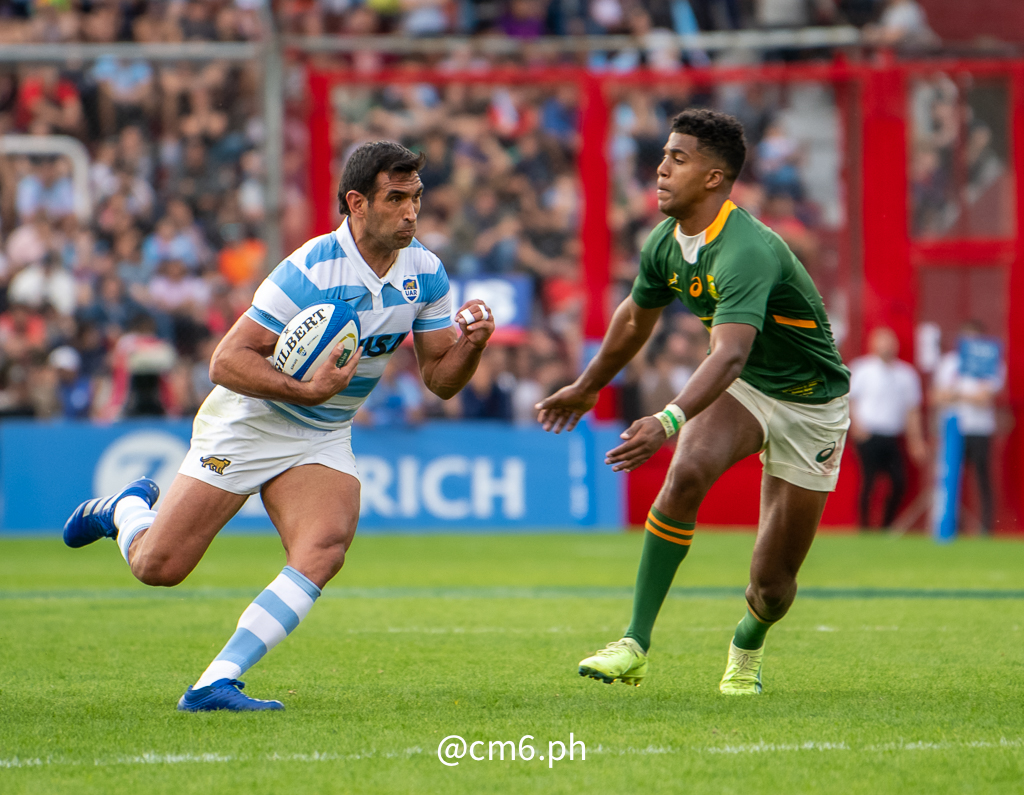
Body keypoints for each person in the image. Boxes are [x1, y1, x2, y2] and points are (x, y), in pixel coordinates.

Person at [62, 141, 495, 712]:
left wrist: (472, 346)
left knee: (324, 546)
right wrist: (303, 390)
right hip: (250, 421)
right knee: (158, 567)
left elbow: (440, 380)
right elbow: (224, 361)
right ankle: (126, 512)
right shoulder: (309, 271)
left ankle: (215, 682)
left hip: (322, 432)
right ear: (357, 203)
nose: (411, 211)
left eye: (416, 198)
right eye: (396, 198)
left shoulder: (426, 273)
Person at [537, 109, 850, 695]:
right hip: (746, 388)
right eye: (663, 156)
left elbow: (728, 353)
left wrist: (667, 418)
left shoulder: (746, 249)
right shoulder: (664, 242)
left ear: (713, 177)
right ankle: (634, 642)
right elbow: (634, 319)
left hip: (812, 406)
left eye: (677, 159)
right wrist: (588, 384)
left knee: (772, 586)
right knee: (685, 476)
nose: (660, 169)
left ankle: (747, 644)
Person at [848, 327, 927, 529]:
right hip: (869, 435)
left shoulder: (906, 374)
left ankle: (886, 526)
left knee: (899, 481)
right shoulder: (861, 369)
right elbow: (850, 401)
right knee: (869, 482)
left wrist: (915, 441)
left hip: (892, 436)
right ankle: (864, 528)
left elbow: (912, 411)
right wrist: (856, 427)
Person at [932, 321, 1005, 535]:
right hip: (953, 426)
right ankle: (948, 526)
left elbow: (984, 398)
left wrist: (956, 395)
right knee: (950, 476)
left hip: (980, 428)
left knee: (982, 477)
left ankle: (986, 528)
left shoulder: (991, 362)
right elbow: (938, 396)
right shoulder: (949, 363)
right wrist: (963, 395)